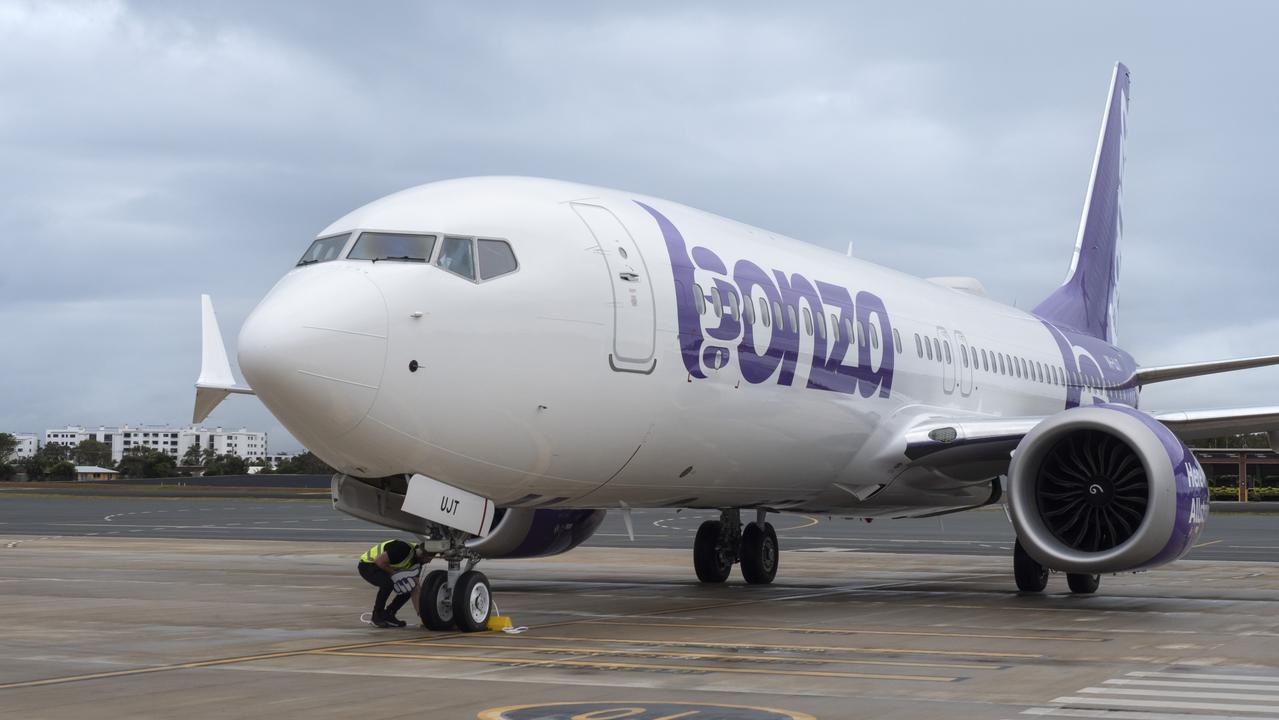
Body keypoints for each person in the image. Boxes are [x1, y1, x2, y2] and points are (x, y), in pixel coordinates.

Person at [357, 539, 429, 627]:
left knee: (410, 586)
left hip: (384, 568)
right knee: (387, 584)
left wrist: (422, 616)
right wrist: (394, 574)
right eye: (428, 558)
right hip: (368, 565)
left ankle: (389, 614)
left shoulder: (418, 562)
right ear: (420, 553)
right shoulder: (403, 549)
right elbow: (379, 561)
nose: (429, 561)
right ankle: (376, 616)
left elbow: (416, 588)